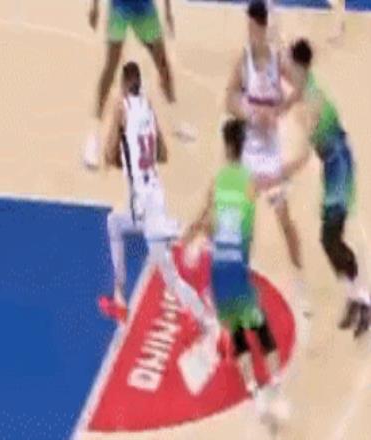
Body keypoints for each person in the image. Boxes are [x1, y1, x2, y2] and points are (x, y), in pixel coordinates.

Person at [184, 118, 309, 432]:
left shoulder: (217, 183)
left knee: (238, 337)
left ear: (226, 147)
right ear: (243, 147)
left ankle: (255, 394)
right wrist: (301, 159)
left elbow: (204, 221)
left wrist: (190, 239)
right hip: (239, 271)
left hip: (219, 272)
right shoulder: (251, 183)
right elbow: (276, 180)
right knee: (263, 333)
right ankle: (276, 391)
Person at [99, 62, 216, 341]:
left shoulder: (121, 108)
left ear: (123, 85)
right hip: (155, 194)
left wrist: (120, 154)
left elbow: (108, 153)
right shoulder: (148, 107)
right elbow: (162, 154)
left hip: (142, 203)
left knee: (170, 274)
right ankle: (120, 298)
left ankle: (207, 320)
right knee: (115, 223)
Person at [288, 38, 370, 337]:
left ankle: (363, 298)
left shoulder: (313, 99)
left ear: (298, 66)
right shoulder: (303, 85)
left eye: (290, 64)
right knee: (329, 240)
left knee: (330, 238)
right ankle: (355, 295)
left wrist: (280, 174)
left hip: (339, 169)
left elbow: (303, 154)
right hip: (332, 167)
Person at [225, 0, 304, 276]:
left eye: (252, 26)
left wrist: (278, 111)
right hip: (249, 151)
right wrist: (250, 114)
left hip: (270, 153)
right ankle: (236, 273)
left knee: (285, 221)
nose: (249, 31)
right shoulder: (243, 61)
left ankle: (299, 279)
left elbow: (301, 86)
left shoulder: (277, 60)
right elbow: (229, 100)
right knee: (241, 219)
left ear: (260, 27)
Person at [83, 0, 194, 170]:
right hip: (120, 8)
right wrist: (95, 6)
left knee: (163, 64)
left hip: (144, 8)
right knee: (110, 68)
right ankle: (93, 137)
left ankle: (176, 122)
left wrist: (168, 12)